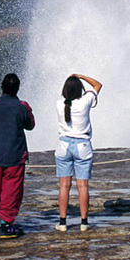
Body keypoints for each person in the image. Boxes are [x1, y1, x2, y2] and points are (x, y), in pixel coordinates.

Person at [0, 72, 35, 239]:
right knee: (11, 189)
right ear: (18, 88)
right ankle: (6, 224)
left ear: (2, 87)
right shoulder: (22, 106)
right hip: (14, 154)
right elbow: (30, 125)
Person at [55, 72, 102, 233]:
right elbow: (97, 85)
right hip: (82, 145)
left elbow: (66, 96)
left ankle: (62, 223)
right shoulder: (85, 102)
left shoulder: (59, 103)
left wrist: (72, 80)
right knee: (82, 186)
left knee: (64, 186)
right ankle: (84, 222)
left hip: (63, 146)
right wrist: (81, 77)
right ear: (79, 90)